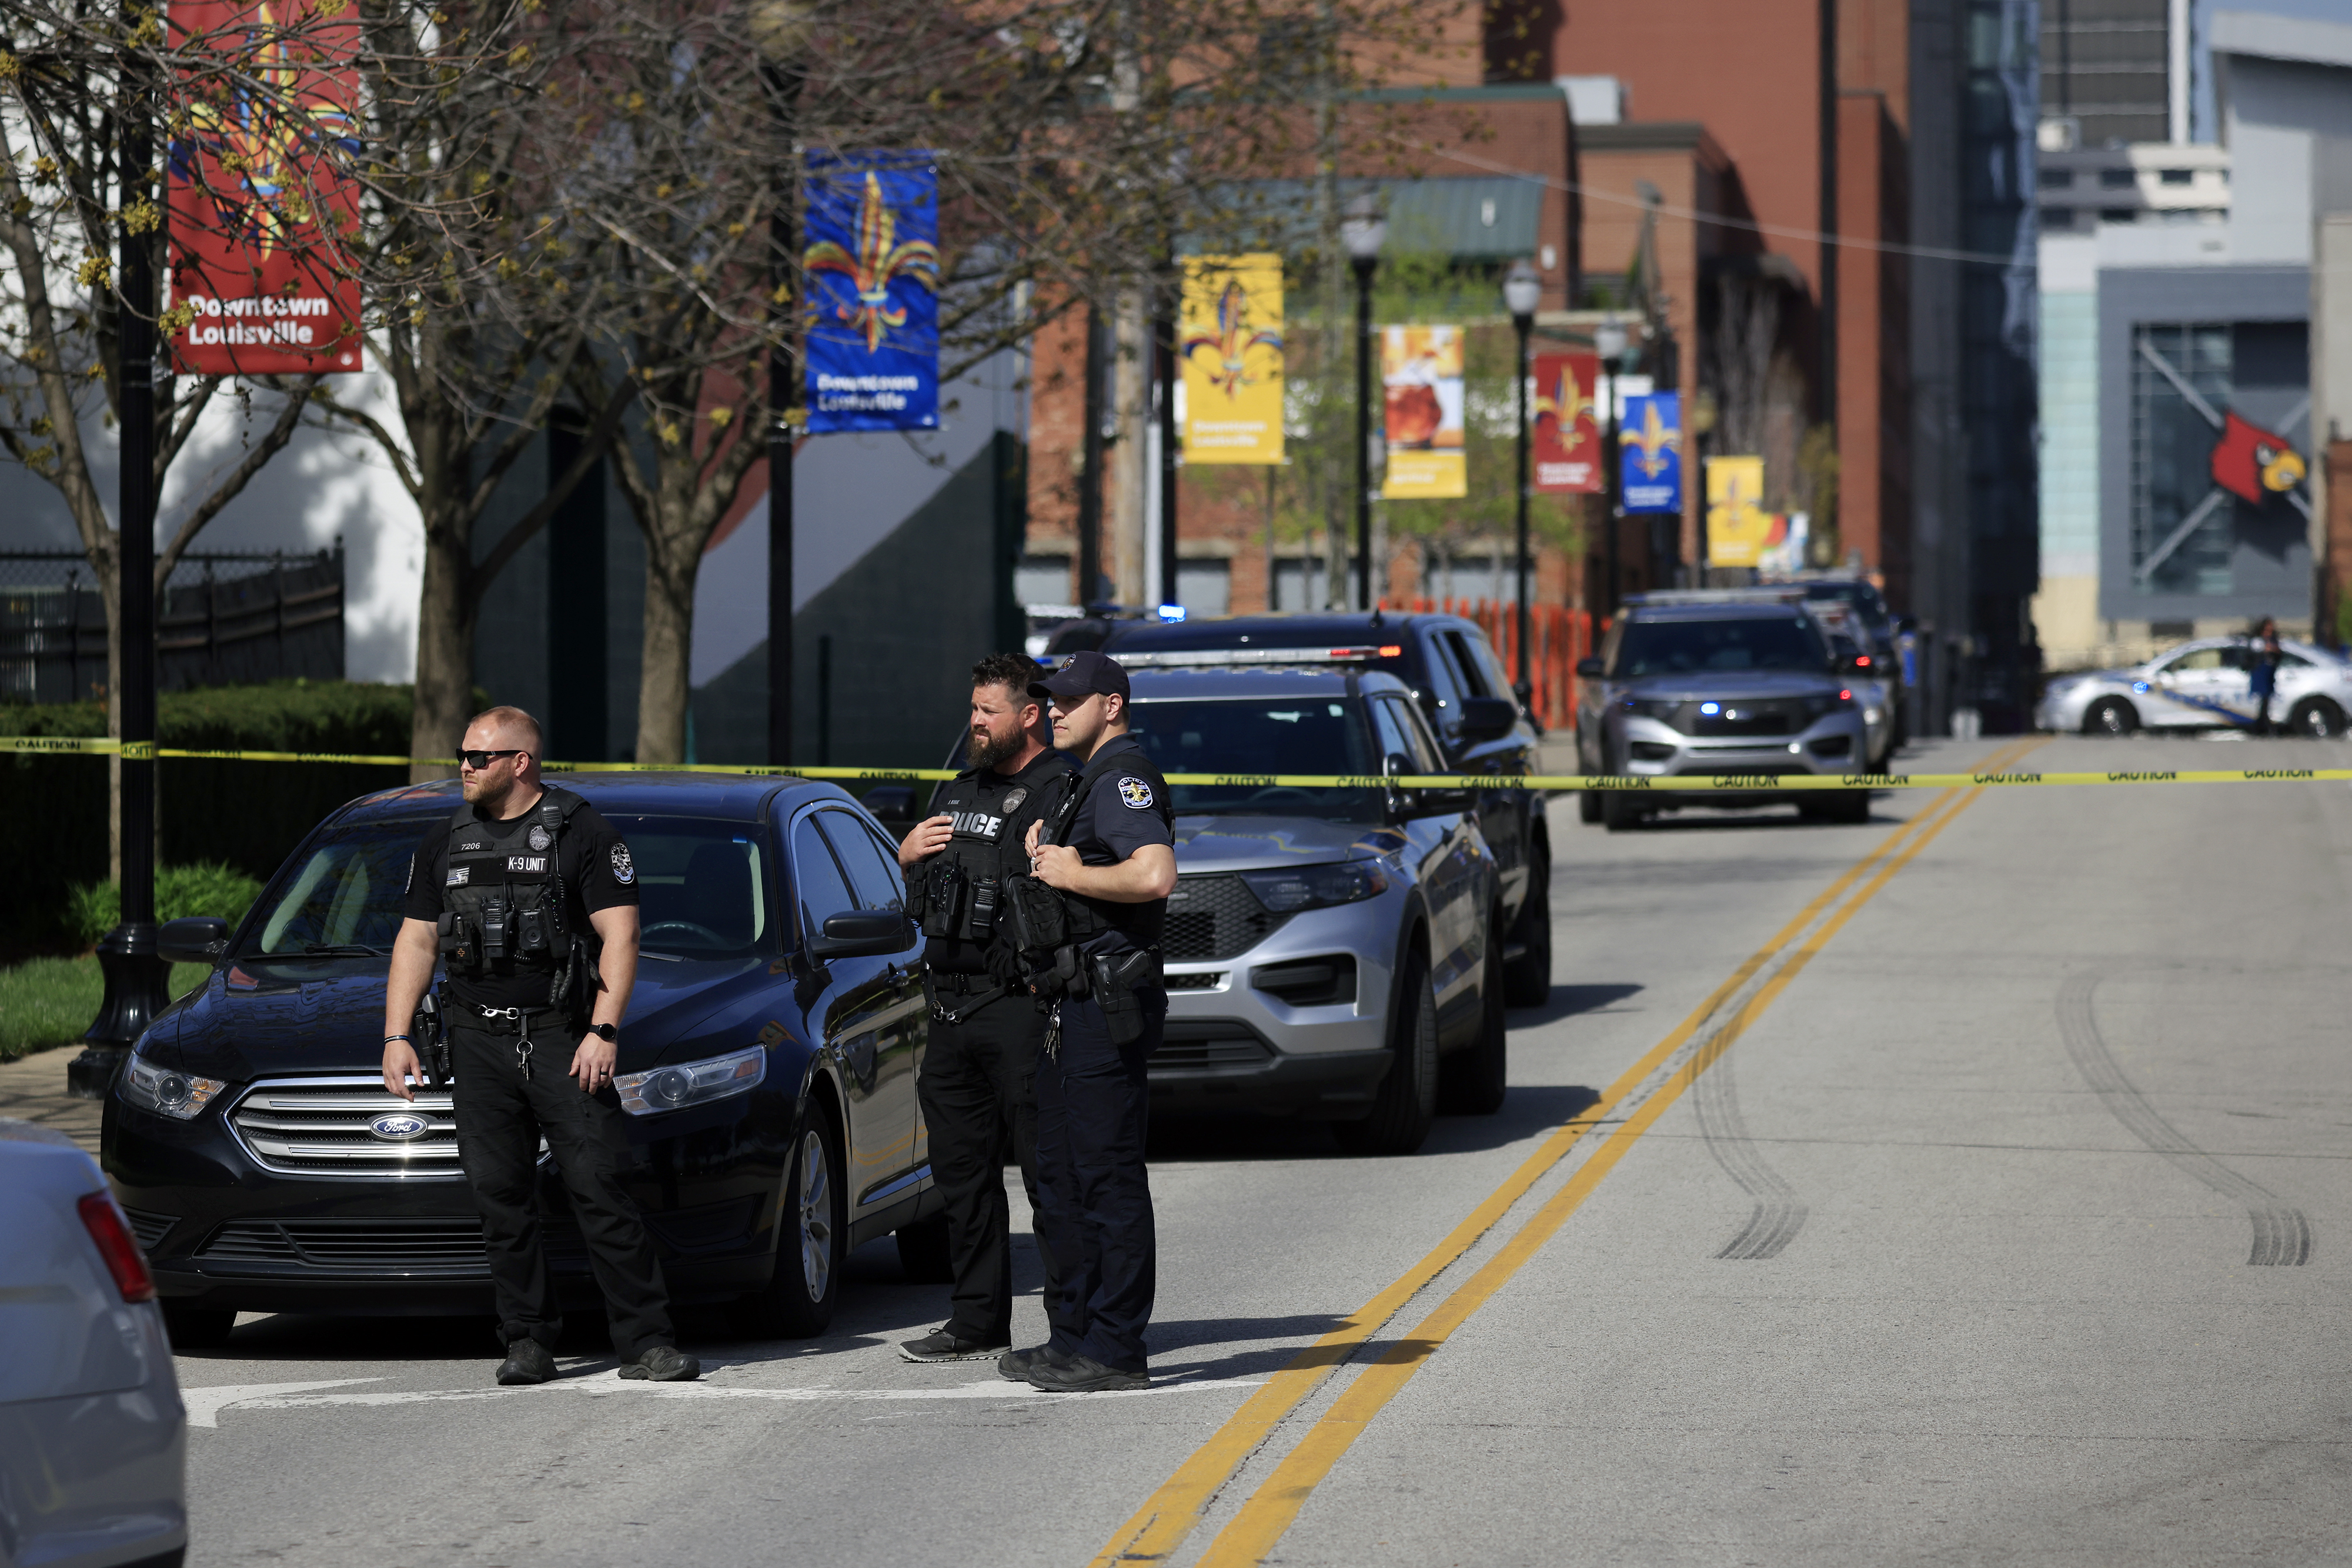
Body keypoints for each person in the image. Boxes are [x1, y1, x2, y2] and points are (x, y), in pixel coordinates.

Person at [380, 707, 699, 1386]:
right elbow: (416, 939)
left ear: (520, 763)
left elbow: (621, 935)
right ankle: (527, 1340)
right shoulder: (446, 840)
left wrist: (603, 1030)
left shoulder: (581, 833)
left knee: (597, 1186)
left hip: (561, 1035)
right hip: (475, 1038)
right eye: (462, 755)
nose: (463, 767)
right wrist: (397, 1035)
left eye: (478, 757)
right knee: (500, 1194)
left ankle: (645, 1343)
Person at [893, 654, 1079, 1363]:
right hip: (950, 1010)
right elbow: (925, 898)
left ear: (1028, 715)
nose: (974, 722)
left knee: (1047, 1176)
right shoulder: (960, 790)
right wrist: (904, 856)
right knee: (961, 1178)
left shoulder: (1058, 789)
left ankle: (1071, 1327)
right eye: (972, 709)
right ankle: (976, 1320)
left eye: (987, 711)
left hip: (1021, 1008)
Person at [1001, 649, 1176, 1393]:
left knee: (1105, 1178)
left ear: (1111, 704)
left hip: (1104, 1005)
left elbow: (1153, 873)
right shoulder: (1083, 782)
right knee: (1064, 1176)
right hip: (1066, 1004)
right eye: (1050, 700)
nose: (1056, 710)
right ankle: (1072, 1335)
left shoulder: (1122, 776)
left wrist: (1073, 873)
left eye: (1071, 700)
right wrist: (1051, 860)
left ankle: (1114, 1348)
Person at [2250, 616, 2282, 735]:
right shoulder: (2257, 640)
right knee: (2261, 700)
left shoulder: (2274, 640)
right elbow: (2255, 651)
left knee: (2266, 700)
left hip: (2269, 673)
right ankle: (2264, 726)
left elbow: (2278, 653)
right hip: (2260, 673)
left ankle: (2262, 726)